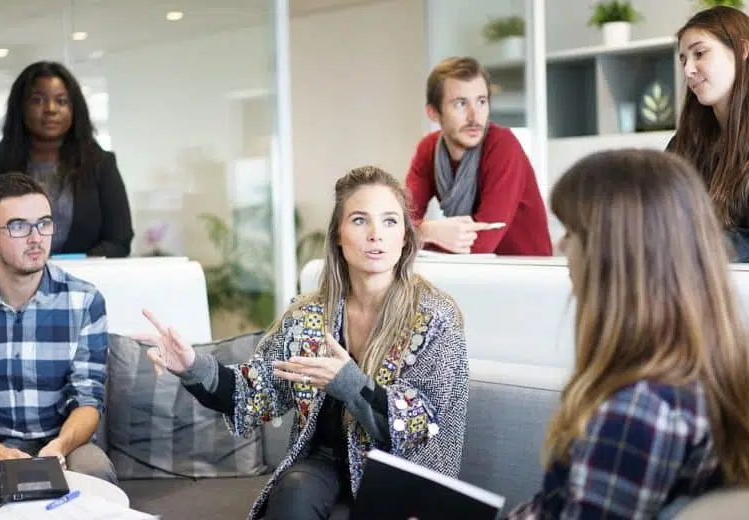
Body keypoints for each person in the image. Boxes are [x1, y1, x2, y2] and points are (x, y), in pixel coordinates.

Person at [139, 166, 469, 520]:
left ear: (405, 236)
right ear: (338, 236)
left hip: (400, 469)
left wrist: (350, 384)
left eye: (390, 221)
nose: (376, 234)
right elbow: (256, 392)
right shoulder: (309, 315)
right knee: (293, 488)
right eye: (360, 220)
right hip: (324, 461)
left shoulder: (435, 316)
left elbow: (422, 423)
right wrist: (192, 366)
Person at [507, 149, 749, 518]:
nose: (561, 246)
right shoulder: (706, 374)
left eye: (571, 232)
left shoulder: (639, 411)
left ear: (614, 257)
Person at [0, 172, 116, 484]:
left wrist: (59, 446)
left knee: (95, 472)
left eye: (44, 223)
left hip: (60, 442)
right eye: (18, 226)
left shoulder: (84, 300)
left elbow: (88, 399)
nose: (36, 237)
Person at [0, 60, 134, 261]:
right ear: (20, 107)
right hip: (11, 284)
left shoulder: (100, 164)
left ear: (74, 110)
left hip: (84, 282)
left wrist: (75, 269)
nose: (51, 109)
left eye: (61, 101)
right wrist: (24, 267)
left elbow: (119, 240)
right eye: (38, 100)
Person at [405, 56, 552, 256]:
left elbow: (482, 243)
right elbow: (399, 223)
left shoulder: (502, 145)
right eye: (460, 104)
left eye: (481, 101)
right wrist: (427, 230)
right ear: (433, 113)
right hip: (472, 274)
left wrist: (421, 234)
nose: (474, 116)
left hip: (526, 275)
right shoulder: (428, 149)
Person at [666, 6, 749, 260]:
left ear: (742, 51)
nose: (688, 70)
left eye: (699, 53)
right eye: (683, 59)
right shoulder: (683, 144)